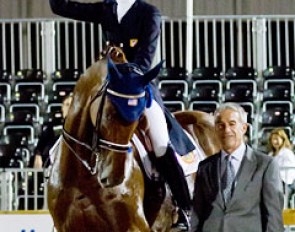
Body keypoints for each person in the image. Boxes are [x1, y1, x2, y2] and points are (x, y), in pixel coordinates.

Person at [49, 0, 193, 227]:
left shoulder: (149, 13)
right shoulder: (107, 8)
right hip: (109, 88)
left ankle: (184, 207)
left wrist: (123, 65)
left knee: (159, 141)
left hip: (138, 89)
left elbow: (145, 59)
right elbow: (61, 7)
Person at [190, 102, 284, 232]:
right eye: (220, 125)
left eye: (232, 124)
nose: (226, 130)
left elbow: (273, 218)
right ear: (215, 129)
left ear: (244, 128)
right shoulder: (205, 167)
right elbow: (197, 214)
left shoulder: (266, 165)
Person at [33, 95, 73, 168]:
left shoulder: (78, 126)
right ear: (62, 107)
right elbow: (42, 142)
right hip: (52, 161)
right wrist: (38, 156)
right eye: (67, 104)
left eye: (71, 105)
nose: (69, 107)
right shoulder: (53, 124)